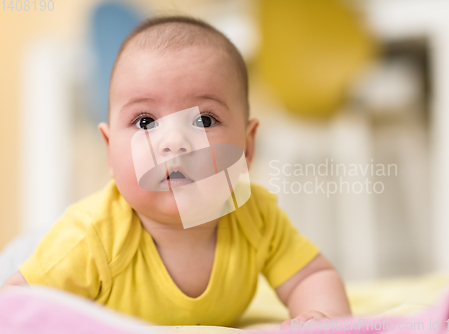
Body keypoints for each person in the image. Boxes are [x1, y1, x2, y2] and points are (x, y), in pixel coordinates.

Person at [0, 16, 351, 328]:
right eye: (145, 122)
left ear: (246, 147)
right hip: (30, 259)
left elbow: (312, 275)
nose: (174, 143)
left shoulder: (256, 218)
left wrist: (321, 318)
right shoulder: (89, 238)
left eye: (204, 120)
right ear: (110, 150)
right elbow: (15, 306)